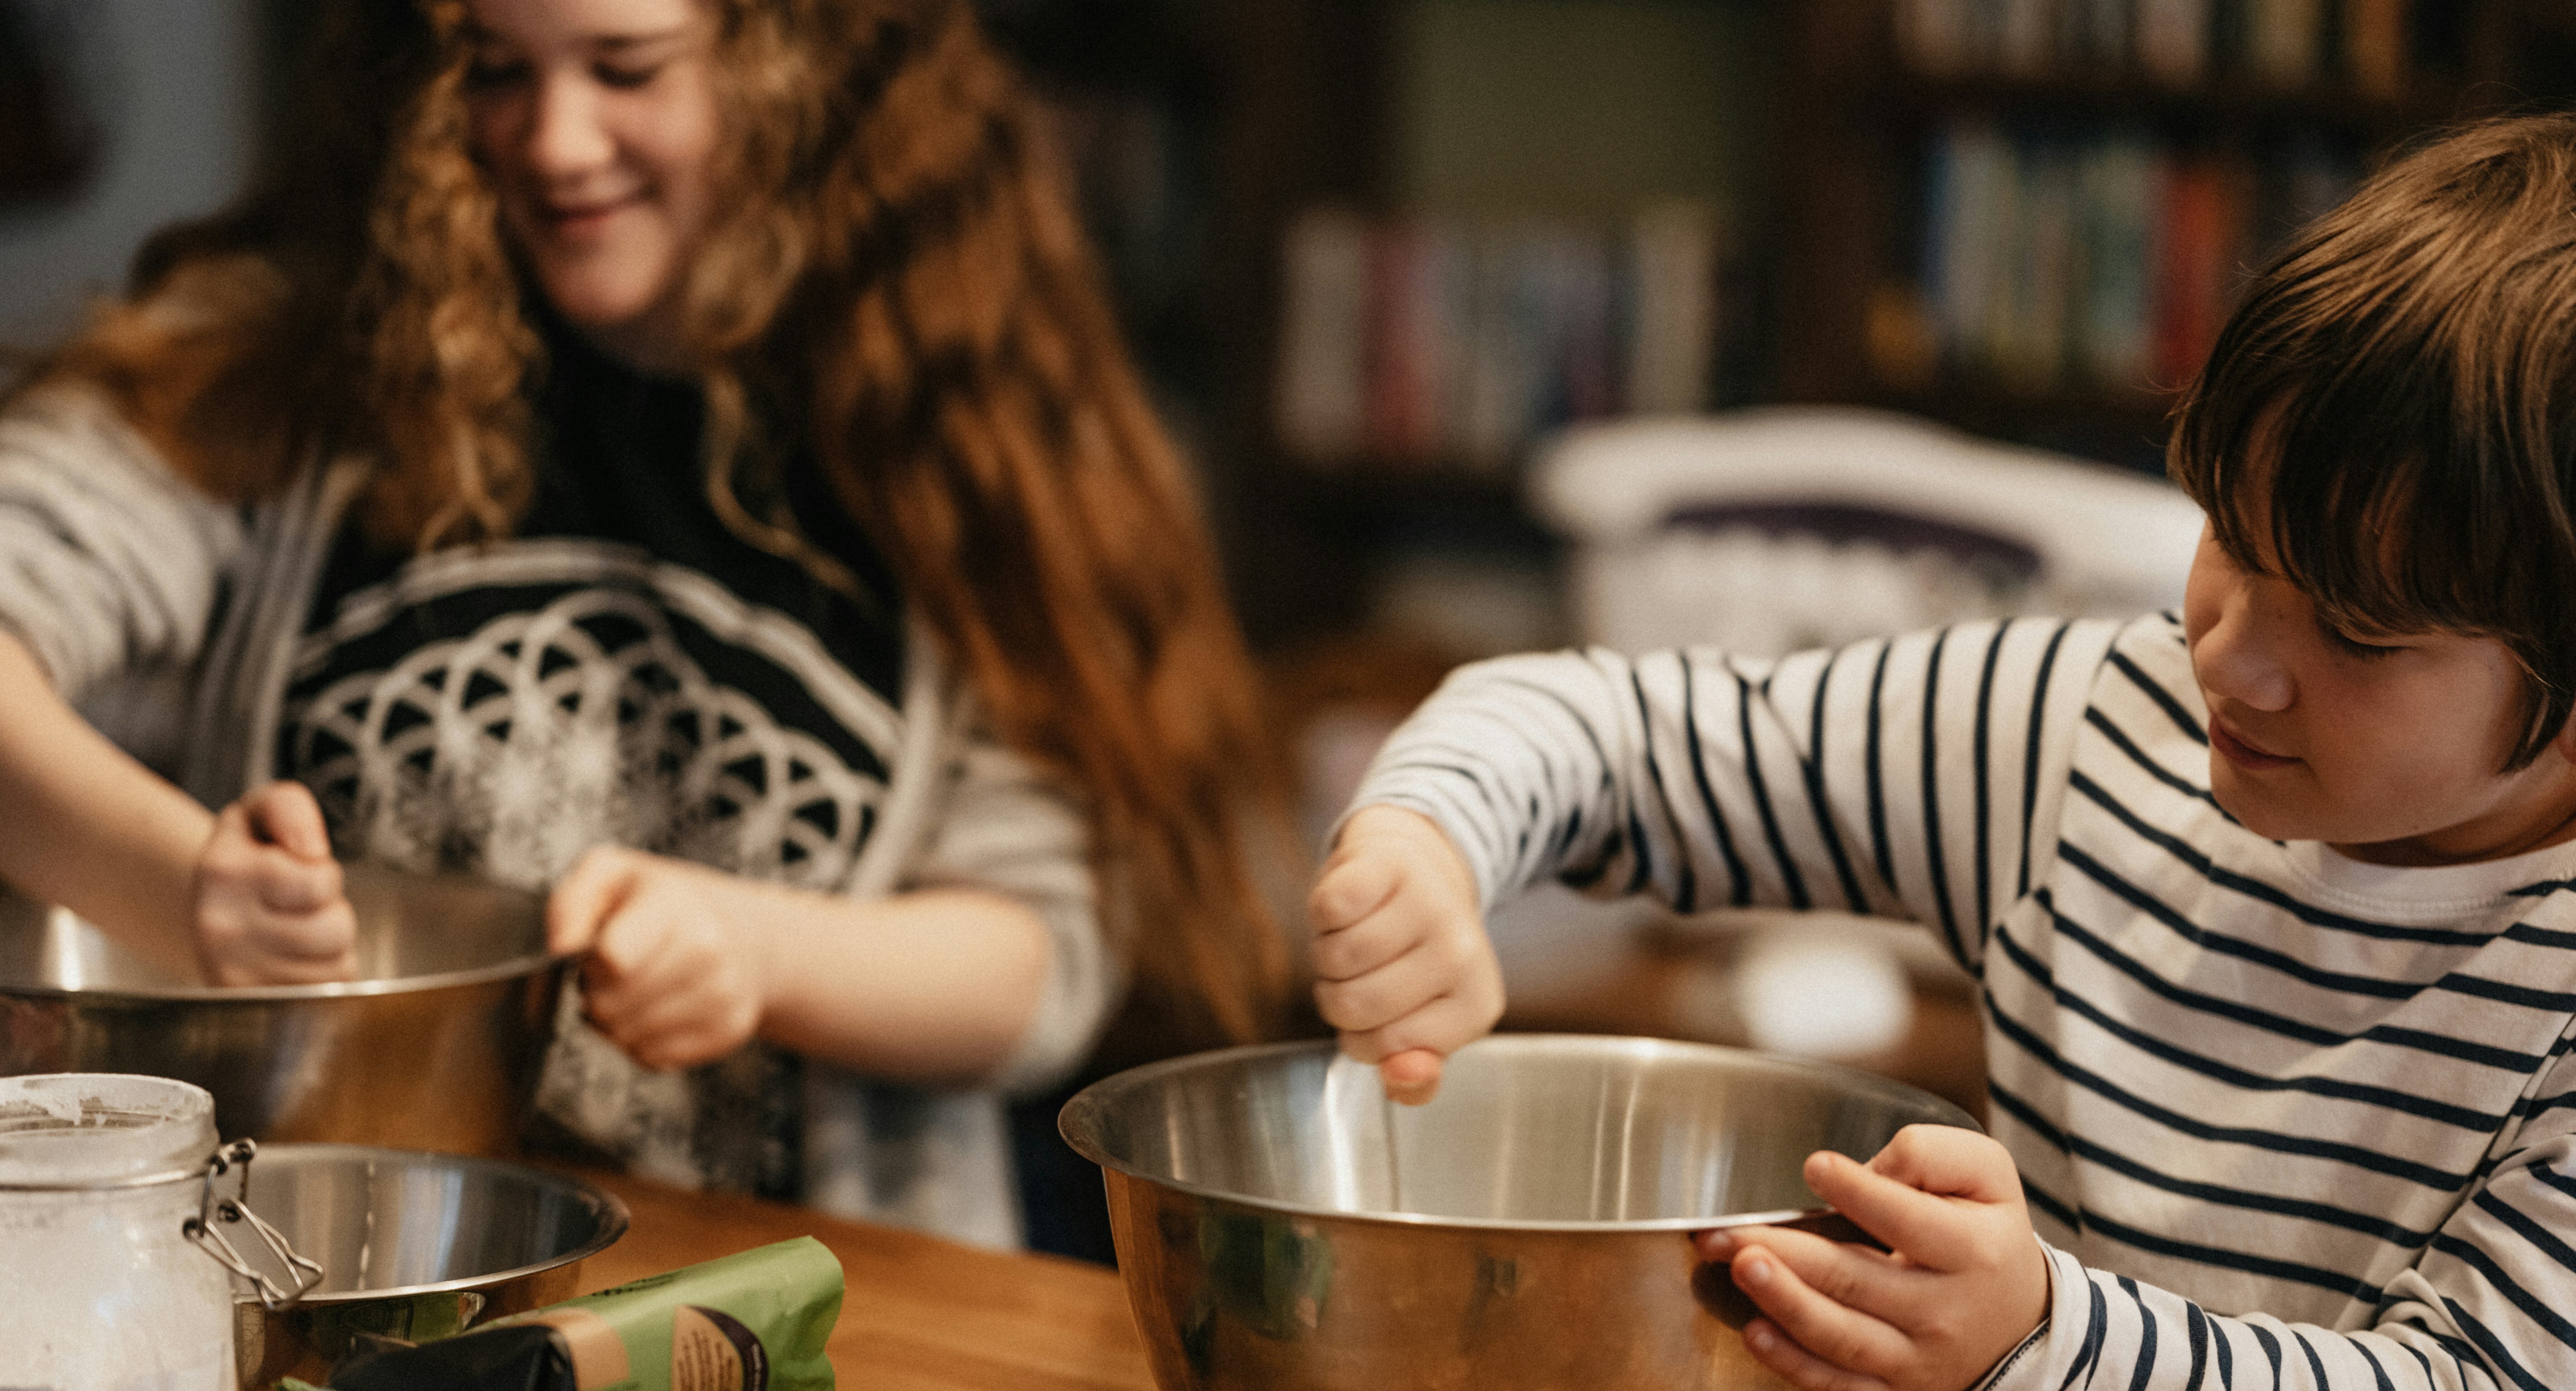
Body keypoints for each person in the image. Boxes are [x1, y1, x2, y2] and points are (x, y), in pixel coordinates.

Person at [1310, 111, 2576, 1390]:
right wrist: (1431, 838)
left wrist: (2045, 1340)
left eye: (2357, 631)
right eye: (2233, 542)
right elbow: (1610, 735)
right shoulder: (2090, 731)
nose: (2228, 658)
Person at [0, 0, 1289, 1249]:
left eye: (628, 66)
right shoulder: (278, 363)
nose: (554, 142)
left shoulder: (953, 428)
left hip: (793, 1301)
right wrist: (181, 887)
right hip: (300, 1267)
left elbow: (1039, 962)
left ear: (797, 66)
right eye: (497, 69)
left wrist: (759, 949)